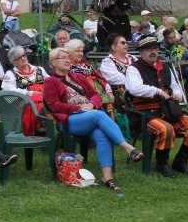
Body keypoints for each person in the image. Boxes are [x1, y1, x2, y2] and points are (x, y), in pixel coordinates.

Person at [43, 47, 144, 191]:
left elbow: (95, 95)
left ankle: (107, 177)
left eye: (68, 57)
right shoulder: (50, 82)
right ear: (53, 62)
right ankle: (128, 148)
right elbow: (54, 106)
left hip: (89, 116)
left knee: (102, 135)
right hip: (69, 120)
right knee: (99, 115)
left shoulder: (77, 77)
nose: (67, 60)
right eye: (63, 57)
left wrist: (91, 104)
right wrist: (79, 108)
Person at [125, 36, 188, 178]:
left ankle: (180, 162)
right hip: (145, 114)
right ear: (141, 52)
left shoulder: (167, 66)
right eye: (148, 49)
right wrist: (158, 91)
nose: (153, 52)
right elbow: (134, 89)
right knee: (165, 129)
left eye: (155, 49)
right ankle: (162, 163)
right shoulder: (133, 68)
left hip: (169, 111)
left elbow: (177, 87)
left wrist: (176, 94)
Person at [2, 45, 49, 135]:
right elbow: (8, 92)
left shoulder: (39, 69)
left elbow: (50, 83)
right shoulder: (11, 74)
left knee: (42, 104)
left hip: (44, 99)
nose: (23, 58)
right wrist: (29, 93)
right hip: (23, 103)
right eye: (19, 58)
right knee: (38, 106)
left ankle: (42, 131)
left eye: (24, 55)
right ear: (13, 62)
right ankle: (39, 132)